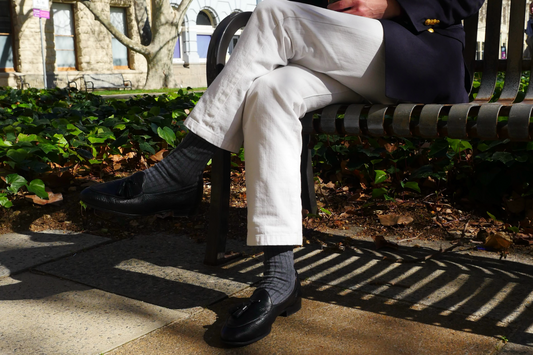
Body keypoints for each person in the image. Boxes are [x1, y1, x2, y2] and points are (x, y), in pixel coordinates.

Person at [81, 0, 485, 347]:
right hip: (337, 55)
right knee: (268, 92)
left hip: (416, 55)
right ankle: (280, 277)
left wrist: (389, 5)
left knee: (276, 15)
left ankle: (179, 172)